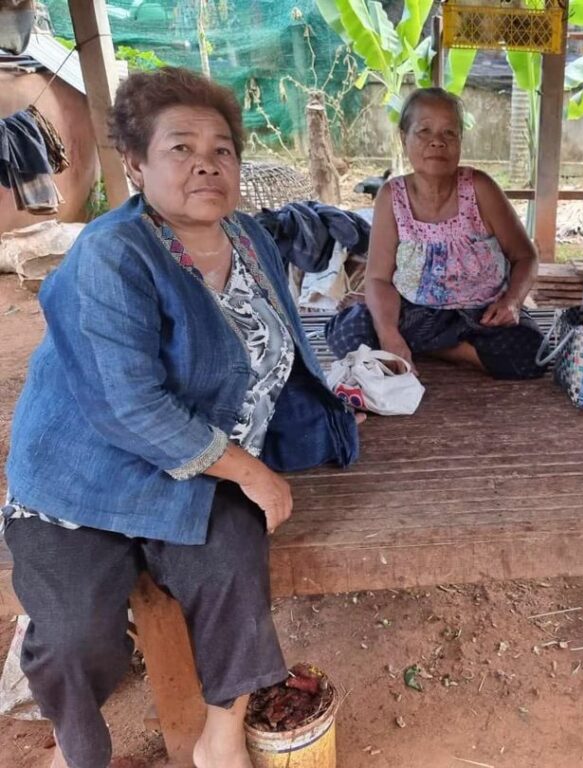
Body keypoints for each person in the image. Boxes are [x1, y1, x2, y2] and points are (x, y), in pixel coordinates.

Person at [3, 67, 360, 768]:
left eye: (222, 149)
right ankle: (77, 749)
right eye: (181, 148)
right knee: (76, 636)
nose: (207, 164)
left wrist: (322, 416)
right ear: (136, 165)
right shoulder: (112, 253)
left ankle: (220, 738)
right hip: (85, 478)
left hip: (196, 471)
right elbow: (129, 405)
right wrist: (250, 471)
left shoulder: (249, 239)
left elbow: (275, 351)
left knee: (232, 558)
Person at [325, 88, 545, 380]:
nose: (437, 141)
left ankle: (434, 349)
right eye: (424, 131)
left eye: (449, 133)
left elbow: (525, 256)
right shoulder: (392, 196)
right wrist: (389, 334)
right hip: (413, 313)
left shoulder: (480, 188)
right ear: (404, 138)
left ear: (460, 141)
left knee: (531, 353)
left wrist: (512, 303)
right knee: (346, 331)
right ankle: (421, 345)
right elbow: (378, 278)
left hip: (480, 315)